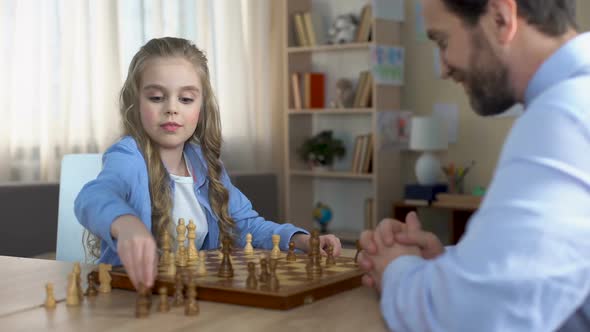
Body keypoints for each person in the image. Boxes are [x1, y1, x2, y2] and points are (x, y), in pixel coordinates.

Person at [358, 0, 590, 331]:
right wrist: (451, 267)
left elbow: (471, 318)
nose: (442, 68)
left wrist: (396, 267)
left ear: (500, 17)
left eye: (442, 41)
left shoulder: (564, 116)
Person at [75, 37, 341, 289]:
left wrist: (301, 240)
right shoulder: (128, 157)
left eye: (186, 99)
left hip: (188, 295)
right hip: (131, 297)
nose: (172, 108)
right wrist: (126, 224)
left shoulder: (203, 164)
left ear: (201, 108)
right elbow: (92, 196)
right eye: (156, 97)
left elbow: (246, 225)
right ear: (135, 102)